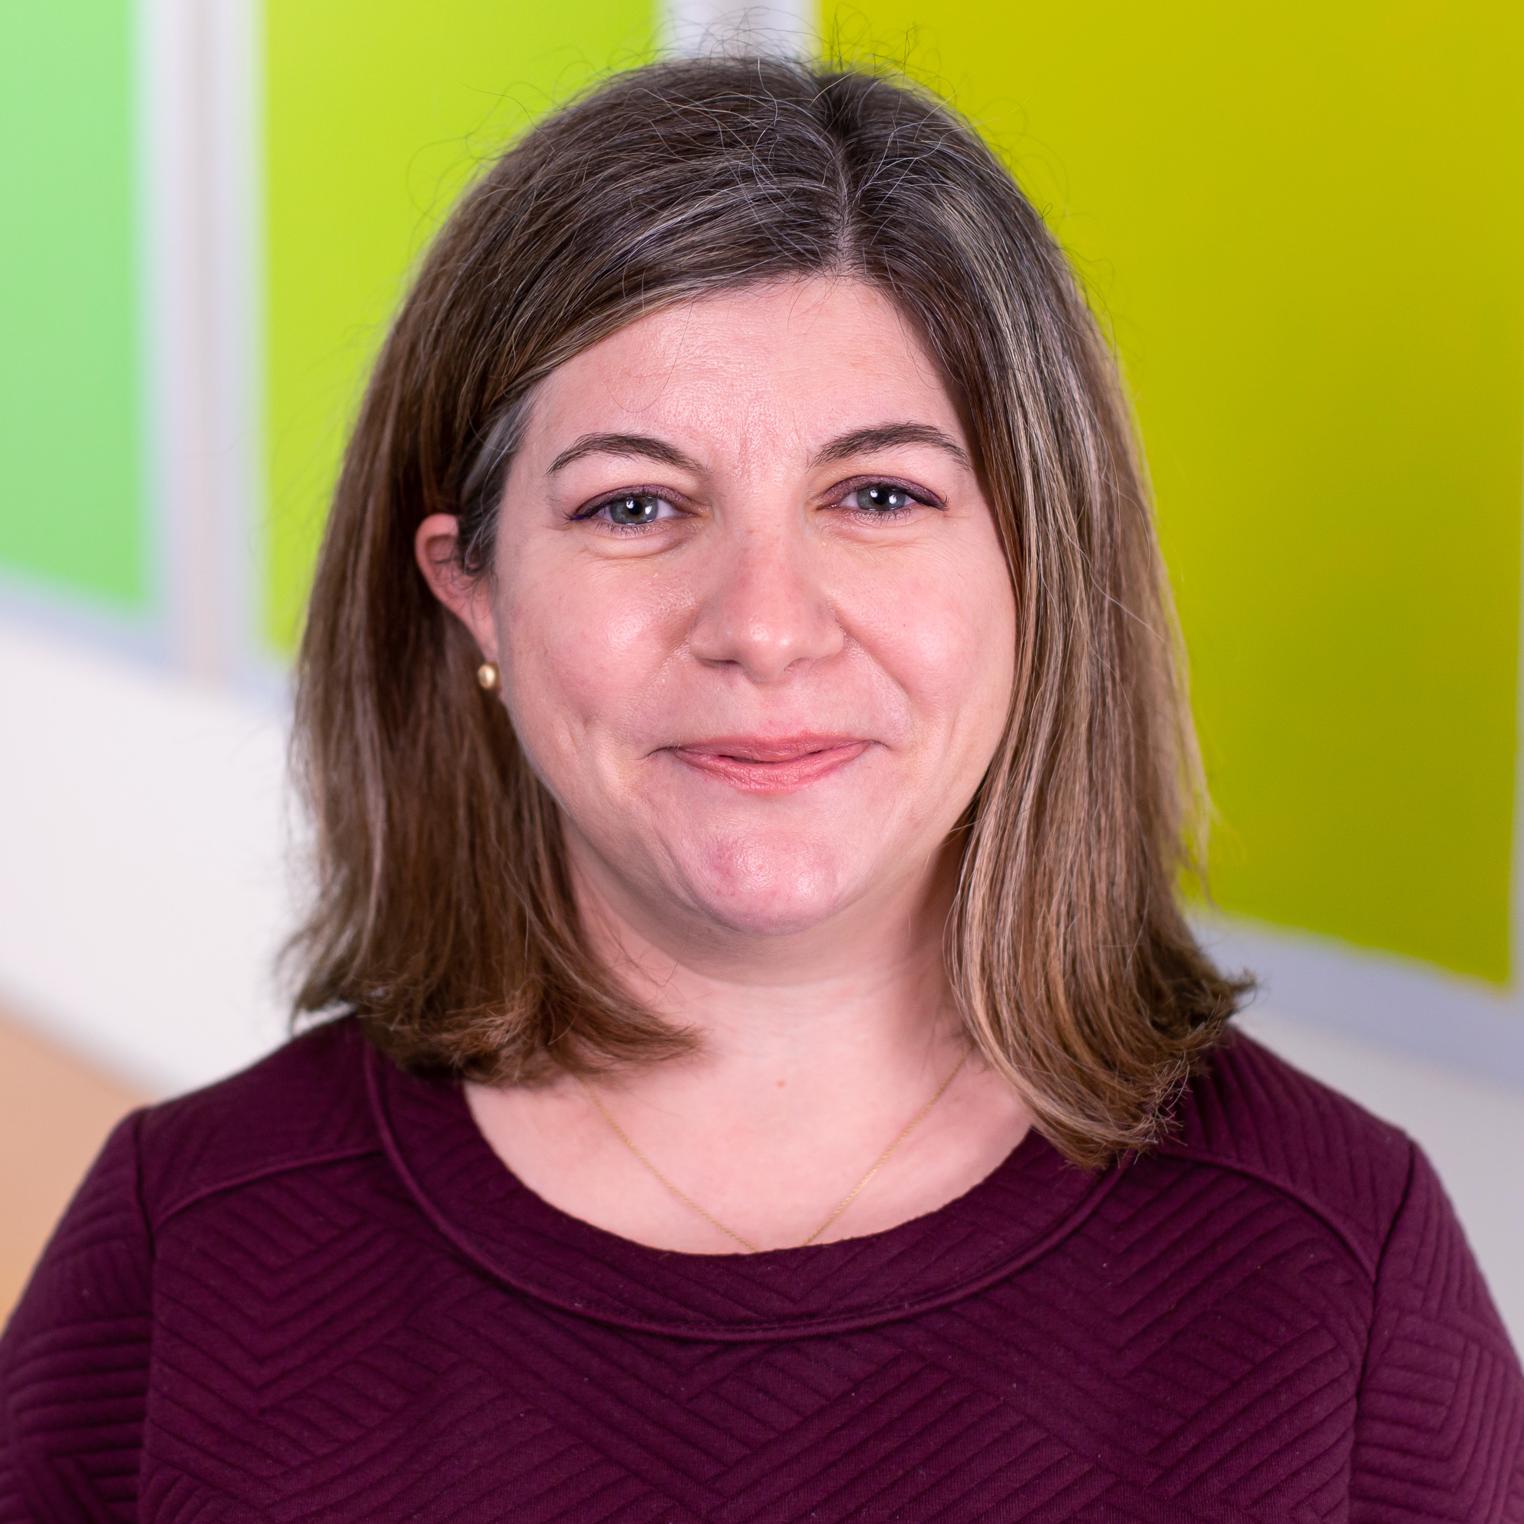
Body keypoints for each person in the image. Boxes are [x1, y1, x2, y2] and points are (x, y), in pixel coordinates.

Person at [3, 48, 1521, 1523]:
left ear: (1034, 568)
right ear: (472, 592)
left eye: (877, 495)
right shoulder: (188, 1241)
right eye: (637, 504)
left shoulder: (1336, 1271)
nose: (764, 627)